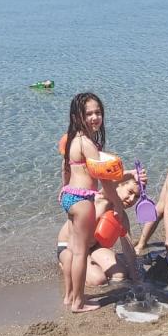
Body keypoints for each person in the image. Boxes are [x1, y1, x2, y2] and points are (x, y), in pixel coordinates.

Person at [58, 92, 141, 312]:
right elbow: (104, 180)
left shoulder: (72, 139)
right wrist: (118, 206)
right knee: (80, 252)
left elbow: (66, 169)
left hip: (69, 196)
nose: (95, 117)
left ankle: (69, 296)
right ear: (77, 116)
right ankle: (78, 302)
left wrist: (63, 189)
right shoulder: (87, 144)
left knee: (74, 249)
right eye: (89, 114)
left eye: (98, 112)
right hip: (83, 199)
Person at [56, 175, 142, 298]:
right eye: (130, 192)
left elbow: (128, 248)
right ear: (118, 186)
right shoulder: (100, 199)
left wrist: (135, 277)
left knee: (120, 275)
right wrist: (132, 174)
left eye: (137, 196)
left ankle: (88, 262)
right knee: (98, 280)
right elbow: (109, 182)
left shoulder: (121, 216)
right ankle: (66, 264)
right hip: (70, 247)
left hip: (93, 247)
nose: (132, 199)